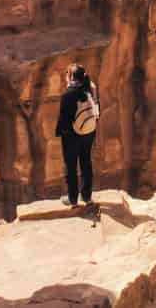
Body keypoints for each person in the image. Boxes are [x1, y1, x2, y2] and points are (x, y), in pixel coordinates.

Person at [53, 62, 100, 206]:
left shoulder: (68, 94)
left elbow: (64, 119)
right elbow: (97, 110)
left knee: (71, 166)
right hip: (89, 132)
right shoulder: (91, 90)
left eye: (67, 74)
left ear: (71, 76)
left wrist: (60, 133)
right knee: (86, 163)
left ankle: (73, 199)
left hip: (72, 135)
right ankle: (86, 197)